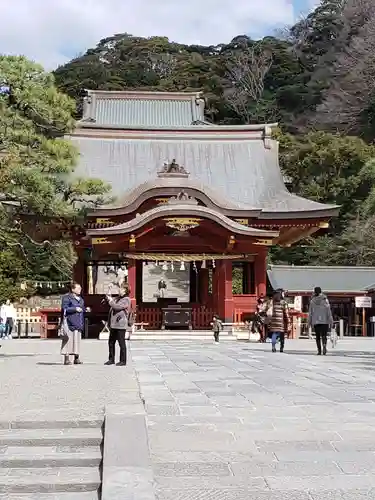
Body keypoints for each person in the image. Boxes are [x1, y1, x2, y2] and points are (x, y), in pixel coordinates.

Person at [105, 284, 131, 366]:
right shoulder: (117, 298)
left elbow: (116, 307)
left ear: (125, 290)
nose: (119, 290)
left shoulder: (126, 299)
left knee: (121, 342)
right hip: (113, 324)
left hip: (120, 324)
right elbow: (109, 298)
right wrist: (109, 290)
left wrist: (110, 301)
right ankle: (111, 359)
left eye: (121, 289)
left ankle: (123, 361)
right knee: (111, 342)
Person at [60, 282, 85, 365]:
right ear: (73, 289)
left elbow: (82, 308)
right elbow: (65, 309)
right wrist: (74, 309)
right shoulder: (67, 298)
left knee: (77, 340)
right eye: (78, 288)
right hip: (69, 321)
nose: (80, 290)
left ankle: (76, 358)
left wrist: (85, 309)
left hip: (78, 321)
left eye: (80, 288)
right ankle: (66, 358)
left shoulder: (80, 299)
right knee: (68, 340)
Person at [308, 286, 333, 356]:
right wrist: (331, 320)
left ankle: (319, 350)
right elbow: (328, 311)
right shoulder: (325, 300)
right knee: (324, 335)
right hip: (324, 321)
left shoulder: (312, 301)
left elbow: (310, 313)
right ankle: (324, 345)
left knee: (318, 336)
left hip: (316, 321)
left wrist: (309, 322)